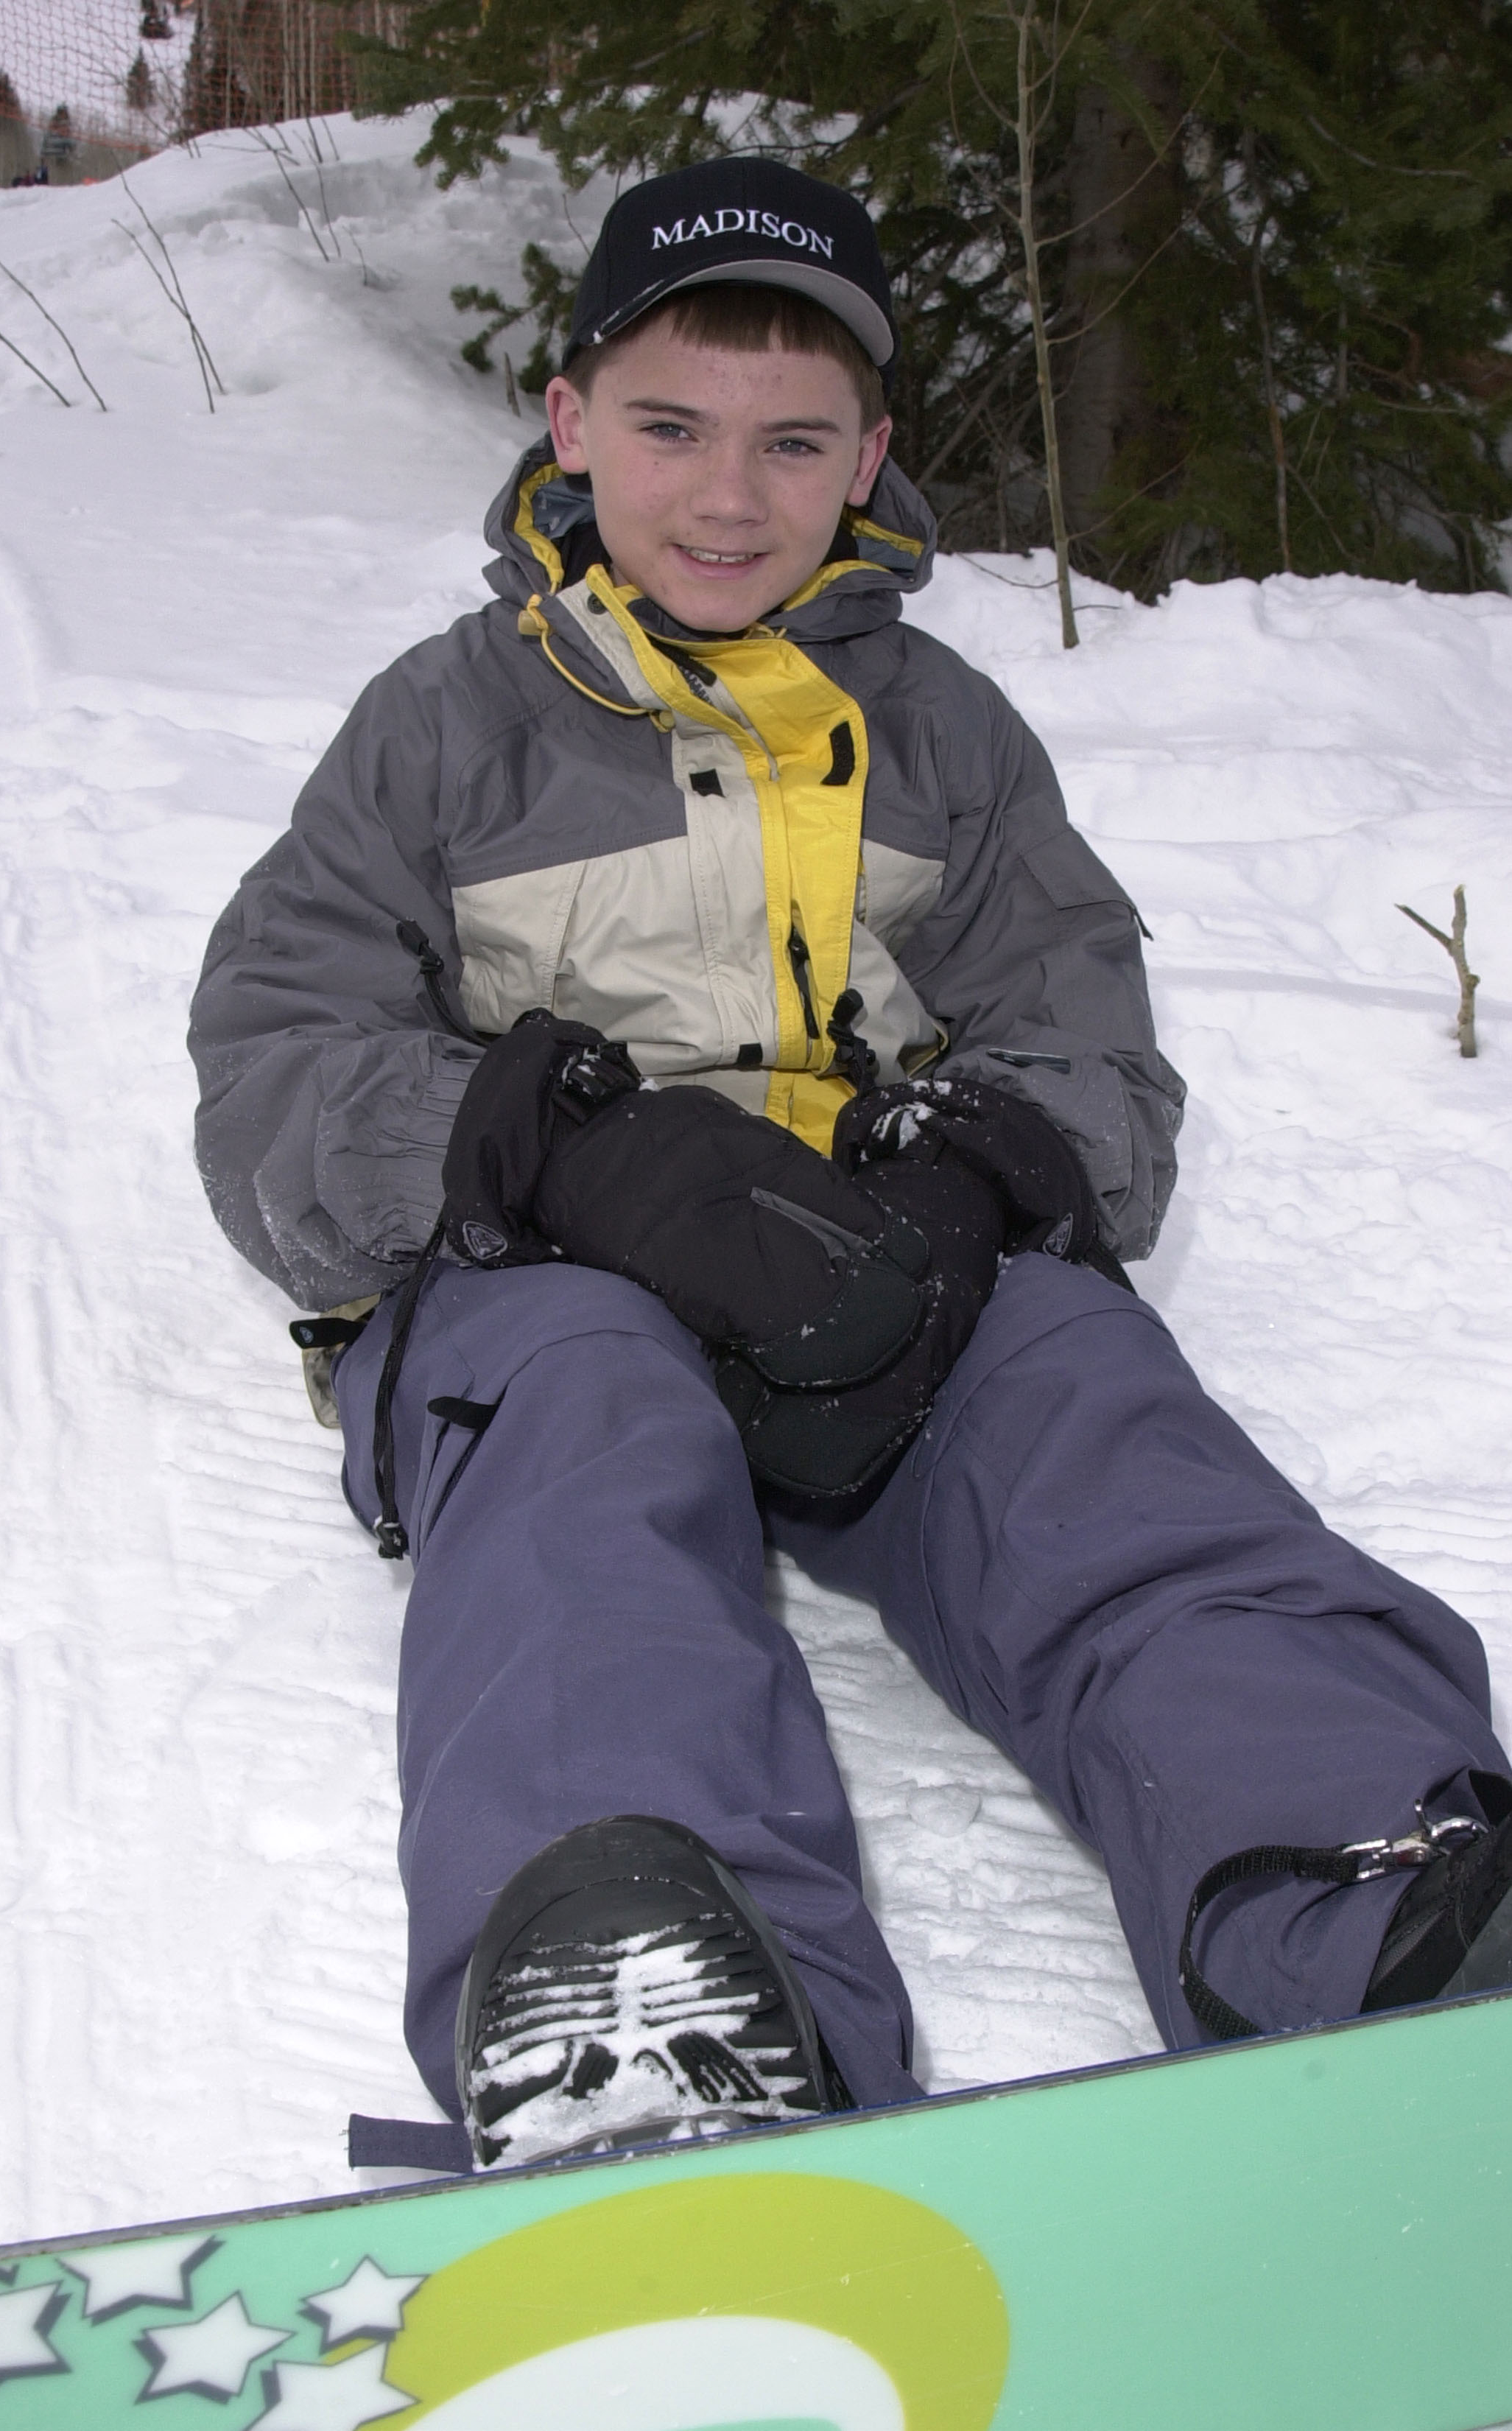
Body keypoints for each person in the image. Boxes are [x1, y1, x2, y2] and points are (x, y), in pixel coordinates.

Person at [189, 158, 1512, 2177]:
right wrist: (546, 1151)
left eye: (794, 442)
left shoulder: (945, 734)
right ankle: (663, 2002)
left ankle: (1382, 1901)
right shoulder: (445, 729)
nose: (729, 496)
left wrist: (982, 1183)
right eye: (671, 428)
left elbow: (1092, 1032)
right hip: (559, 1268)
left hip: (874, 1277)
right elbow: (273, 1050)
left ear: (874, 454)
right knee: (580, 1479)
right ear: (568, 421)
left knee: (1098, 1432)